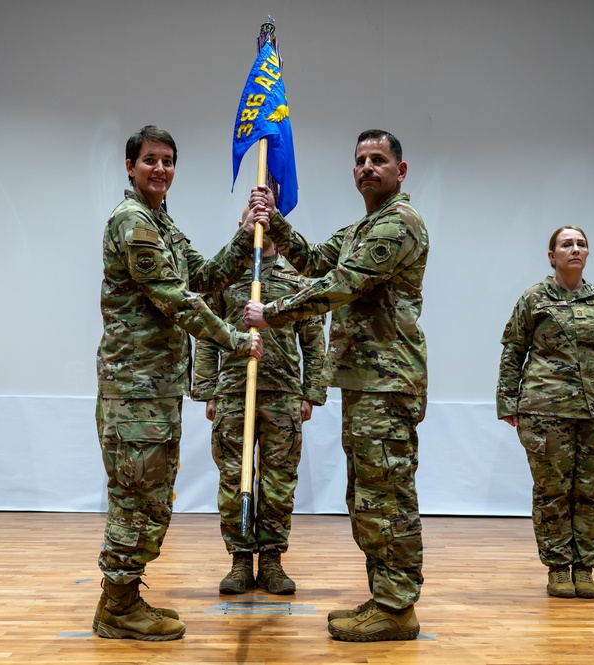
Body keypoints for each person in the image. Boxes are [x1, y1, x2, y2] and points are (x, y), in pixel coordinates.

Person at [244, 130, 429, 642]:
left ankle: (396, 607)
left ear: (401, 170)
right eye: (360, 161)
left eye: (379, 160)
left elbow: (340, 284)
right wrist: (272, 217)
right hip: (366, 382)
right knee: (367, 496)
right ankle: (385, 599)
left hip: (388, 383)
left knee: (387, 495)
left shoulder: (398, 225)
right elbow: (313, 260)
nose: (368, 167)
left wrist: (272, 313)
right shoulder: (362, 228)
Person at [93, 125, 265, 641]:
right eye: (150, 160)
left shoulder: (163, 224)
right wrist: (234, 338)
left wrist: (247, 231)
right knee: (134, 496)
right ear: (130, 167)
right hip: (134, 390)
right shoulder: (133, 223)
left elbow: (207, 276)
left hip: (158, 388)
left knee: (153, 496)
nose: (161, 169)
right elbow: (175, 297)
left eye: (168, 160)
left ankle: (124, 598)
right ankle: (116, 607)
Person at [192, 207, 327, 596]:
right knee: (234, 479)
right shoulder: (225, 277)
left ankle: (271, 561)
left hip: (284, 394)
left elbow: (314, 339)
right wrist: (208, 390)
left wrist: (311, 392)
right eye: (253, 220)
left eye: (268, 223)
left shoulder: (296, 279)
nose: (260, 228)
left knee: (279, 482)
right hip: (234, 391)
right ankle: (238, 561)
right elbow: (206, 336)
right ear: (241, 226)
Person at [496, 226, 594, 599]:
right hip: (545, 409)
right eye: (566, 244)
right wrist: (508, 403)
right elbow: (513, 352)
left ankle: (585, 568)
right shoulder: (533, 299)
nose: (575, 249)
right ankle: (558, 568)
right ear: (551, 255)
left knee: (591, 492)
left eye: (581, 244)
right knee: (552, 491)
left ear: (587, 254)